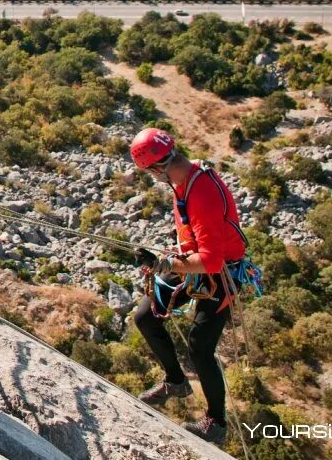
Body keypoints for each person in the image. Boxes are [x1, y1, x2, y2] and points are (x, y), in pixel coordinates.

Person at [128, 127, 249, 446]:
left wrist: (165, 264)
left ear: (156, 168)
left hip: (222, 275)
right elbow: (195, 237)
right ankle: (176, 382)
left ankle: (217, 423)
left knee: (200, 347)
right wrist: (166, 257)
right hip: (193, 262)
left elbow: (210, 261)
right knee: (145, 317)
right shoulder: (185, 179)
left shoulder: (201, 192)